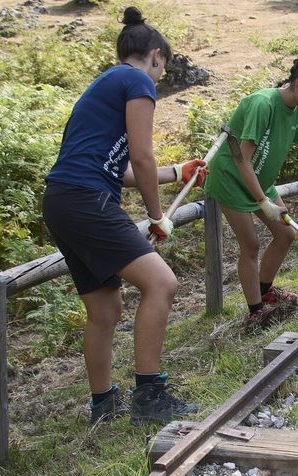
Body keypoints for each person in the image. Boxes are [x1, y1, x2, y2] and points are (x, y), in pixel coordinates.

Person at [43, 7, 204, 426]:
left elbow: (124, 169)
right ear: (155, 55)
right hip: (86, 200)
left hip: (62, 200)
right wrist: (156, 216)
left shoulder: (105, 84)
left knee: (105, 310)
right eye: (162, 68)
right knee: (162, 283)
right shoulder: (135, 79)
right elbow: (142, 154)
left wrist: (178, 173)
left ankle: (103, 404)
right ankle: (149, 395)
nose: (159, 77)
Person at [203, 51, 298, 329]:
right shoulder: (263, 104)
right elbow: (242, 158)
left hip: (260, 182)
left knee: (286, 234)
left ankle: (265, 290)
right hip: (232, 180)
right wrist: (262, 201)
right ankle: (255, 312)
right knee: (250, 245)